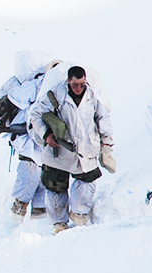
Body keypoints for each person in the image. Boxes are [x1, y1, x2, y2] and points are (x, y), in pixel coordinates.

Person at [29, 66, 115, 233]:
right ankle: (59, 223)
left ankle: (79, 214)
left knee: (87, 181)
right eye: (75, 84)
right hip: (59, 150)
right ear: (68, 81)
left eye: (82, 84)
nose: (78, 88)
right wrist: (46, 134)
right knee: (55, 187)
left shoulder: (92, 97)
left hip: (86, 148)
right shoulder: (55, 95)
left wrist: (107, 144)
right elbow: (36, 115)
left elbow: (103, 119)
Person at [0, 57, 62, 223]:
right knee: (29, 167)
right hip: (27, 136)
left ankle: (40, 212)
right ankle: (19, 207)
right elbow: (11, 100)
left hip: (49, 137)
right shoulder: (36, 85)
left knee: (45, 169)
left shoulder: (65, 89)